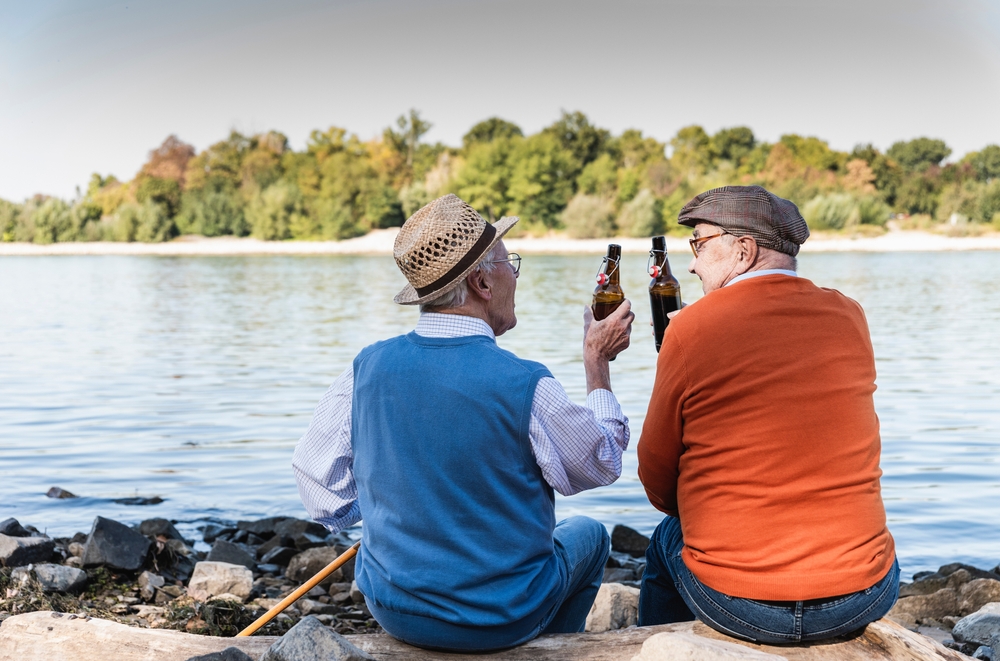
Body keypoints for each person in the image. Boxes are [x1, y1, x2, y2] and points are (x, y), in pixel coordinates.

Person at [293, 194, 635, 652]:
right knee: (589, 534)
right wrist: (597, 361)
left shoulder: (364, 369)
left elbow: (321, 497)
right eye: (509, 263)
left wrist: (388, 505)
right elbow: (602, 462)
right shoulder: (526, 383)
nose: (515, 274)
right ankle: (546, 650)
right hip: (497, 619)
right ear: (482, 283)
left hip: (395, 608)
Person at [636, 185, 898, 644]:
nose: (693, 263)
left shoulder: (691, 328)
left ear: (743, 250)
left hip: (739, 603)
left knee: (665, 537)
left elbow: (657, 478)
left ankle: (661, 650)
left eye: (698, 243)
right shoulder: (850, 316)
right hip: (860, 595)